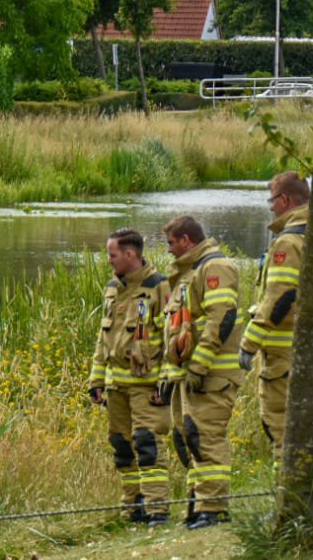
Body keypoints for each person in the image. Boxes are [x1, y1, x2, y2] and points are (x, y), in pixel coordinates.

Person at [87, 228, 173, 524]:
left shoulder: (159, 286)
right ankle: (133, 507)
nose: (109, 260)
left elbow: (171, 337)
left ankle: (157, 509)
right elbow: (103, 338)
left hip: (146, 387)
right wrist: (96, 380)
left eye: (112, 255)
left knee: (147, 444)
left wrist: (165, 382)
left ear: (130, 254)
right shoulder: (112, 288)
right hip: (116, 386)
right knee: (122, 447)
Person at [160, 216, 242, 529]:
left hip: (211, 375)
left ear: (186, 239)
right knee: (189, 439)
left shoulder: (215, 267)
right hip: (189, 377)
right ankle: (199, 506)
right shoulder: (188, 272)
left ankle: (215, 510)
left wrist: (199, 365)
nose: (169, 250)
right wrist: (170, 374)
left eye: (171, 243)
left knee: (206, 438)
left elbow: (222, 318)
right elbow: (180, 328)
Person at [239, 171, 310, 462]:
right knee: (305, 428)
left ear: (285, 200)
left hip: (282, 354)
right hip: (310, 349)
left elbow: (280, 298)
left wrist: (249, 343)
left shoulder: (288, 242)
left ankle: (288, 487)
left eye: (272, 200)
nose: (270, 207)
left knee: (279, 427)